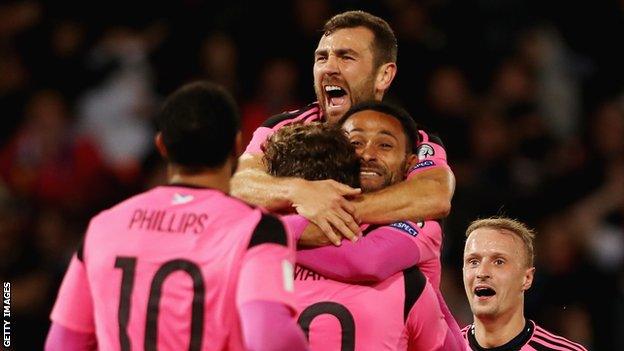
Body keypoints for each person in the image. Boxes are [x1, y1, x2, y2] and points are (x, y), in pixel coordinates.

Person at [45, 81, 308, 351]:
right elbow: (270, 338)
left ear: (162, 146)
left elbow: (61, 343)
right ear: (235, 146)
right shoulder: (258, 229)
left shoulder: (103, 227)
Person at [231, 10, 454, 244]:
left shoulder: (414, 140)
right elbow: (238, 182)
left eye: (346, 57)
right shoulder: (283, 127)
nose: (329, 68)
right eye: (322, 58)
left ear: (384, 76)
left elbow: (434, 194)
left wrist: (332, 207)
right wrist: (299, 192)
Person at [264, 102, 463, 350]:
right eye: (356, 143)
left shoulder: (419, 219)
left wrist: (264, 234)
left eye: (385, 145)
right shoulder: (308, 213)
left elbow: (369, 261)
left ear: (409, 164)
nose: (368, 154)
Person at [461, 217, 588, 351]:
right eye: (473, 262)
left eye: (499, 262)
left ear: (527, 278)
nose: (482, 272)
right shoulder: (442, 347)